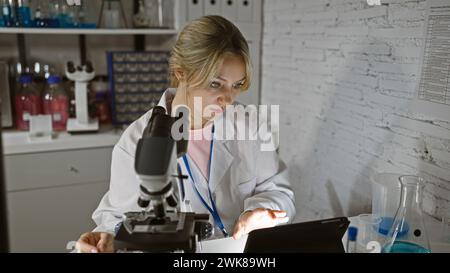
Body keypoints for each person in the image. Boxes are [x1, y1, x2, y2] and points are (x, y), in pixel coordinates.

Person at [76, 15, 295, 253]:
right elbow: (116, 219)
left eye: (237, 85)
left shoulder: (250, 125)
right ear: (182, 73)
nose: (228, 99)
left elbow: (277, 190)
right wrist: (106, 238)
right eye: (215, 84)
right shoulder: (137, 139)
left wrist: (259, 212)